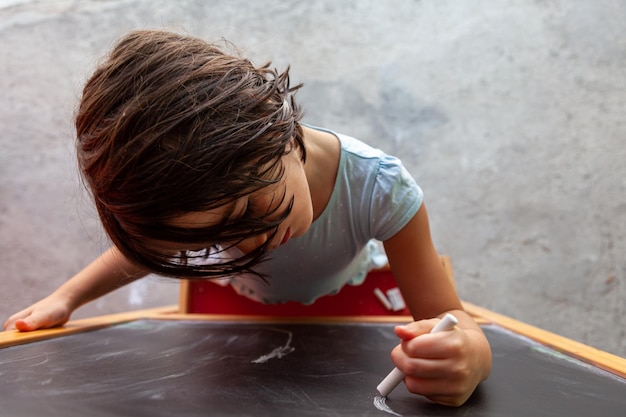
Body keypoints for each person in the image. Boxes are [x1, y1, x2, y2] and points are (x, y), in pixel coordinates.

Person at [4, 30, 491, 406]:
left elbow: (449, 319)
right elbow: (143, 254)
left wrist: (469, 356)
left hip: (350, 306)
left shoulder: (380, 187)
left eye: (251, 210)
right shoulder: (206, 200)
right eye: (208, 240)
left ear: (270, 124)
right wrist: (66, 298)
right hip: (235, 312)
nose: (254, 243)